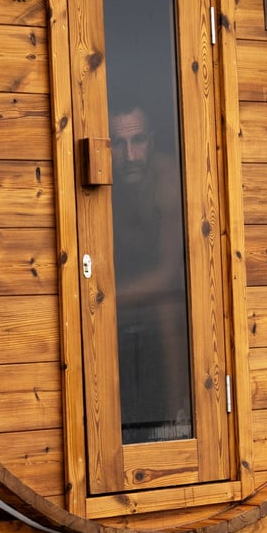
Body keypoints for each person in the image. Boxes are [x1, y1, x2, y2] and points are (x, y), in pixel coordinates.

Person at [109, 104, 192, 443]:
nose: (130, 156)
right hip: (122, 288)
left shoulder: (166, 178)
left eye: (138, 140)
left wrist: (105, 298)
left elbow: (169, 274)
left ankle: (177, 421)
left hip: (167, 294)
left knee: (166, 307)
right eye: (119, 143)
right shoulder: (101, 181)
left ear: (153, 141)